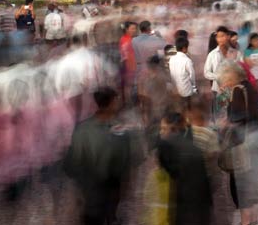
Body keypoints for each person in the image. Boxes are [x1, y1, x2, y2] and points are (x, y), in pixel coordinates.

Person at [64, 87, 143, 225]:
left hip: (89, 190)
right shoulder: (122, 128)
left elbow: (73, 164)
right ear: (112, 102)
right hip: (111, 190)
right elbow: (134, 160)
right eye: (116, 100)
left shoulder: (83, 129)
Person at [219, 62, 258, 225]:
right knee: (254, 183)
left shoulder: (238, 90)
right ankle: (254, 220)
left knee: (244, 184)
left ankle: (245, 222)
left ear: (232, 75)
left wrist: (225, 124)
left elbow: (238, 119)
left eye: (225, 77)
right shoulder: (251, 87)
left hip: (245, 143)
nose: (224, 81)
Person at [157, 110, 212, 225]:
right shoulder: (193, 147)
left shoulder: (166, 145)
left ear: (173, 128)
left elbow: (172, 173)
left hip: (184, 206)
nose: (160, 132)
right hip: (200, 207)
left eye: (163, 128)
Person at [169, 37, 197, 105]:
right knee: (187, 109)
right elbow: (192, 75)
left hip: (175, 89)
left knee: (179, 108)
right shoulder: (187, 60)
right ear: (184, 48)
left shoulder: (171, 59)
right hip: (186, 90)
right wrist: (194, 86)